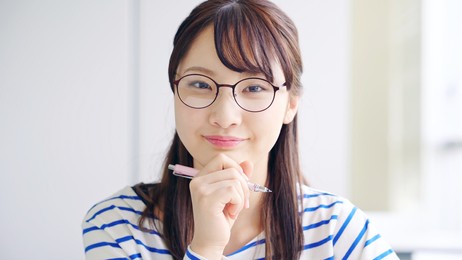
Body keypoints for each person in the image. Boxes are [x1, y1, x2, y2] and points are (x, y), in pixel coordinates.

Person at [82, 0, 398, 259]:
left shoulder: (336, 229)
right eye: (201, 84)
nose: (225, 115)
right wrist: (206, 249)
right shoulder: (118, 224)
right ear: (174, 90)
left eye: (254, 88)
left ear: (291, 103)